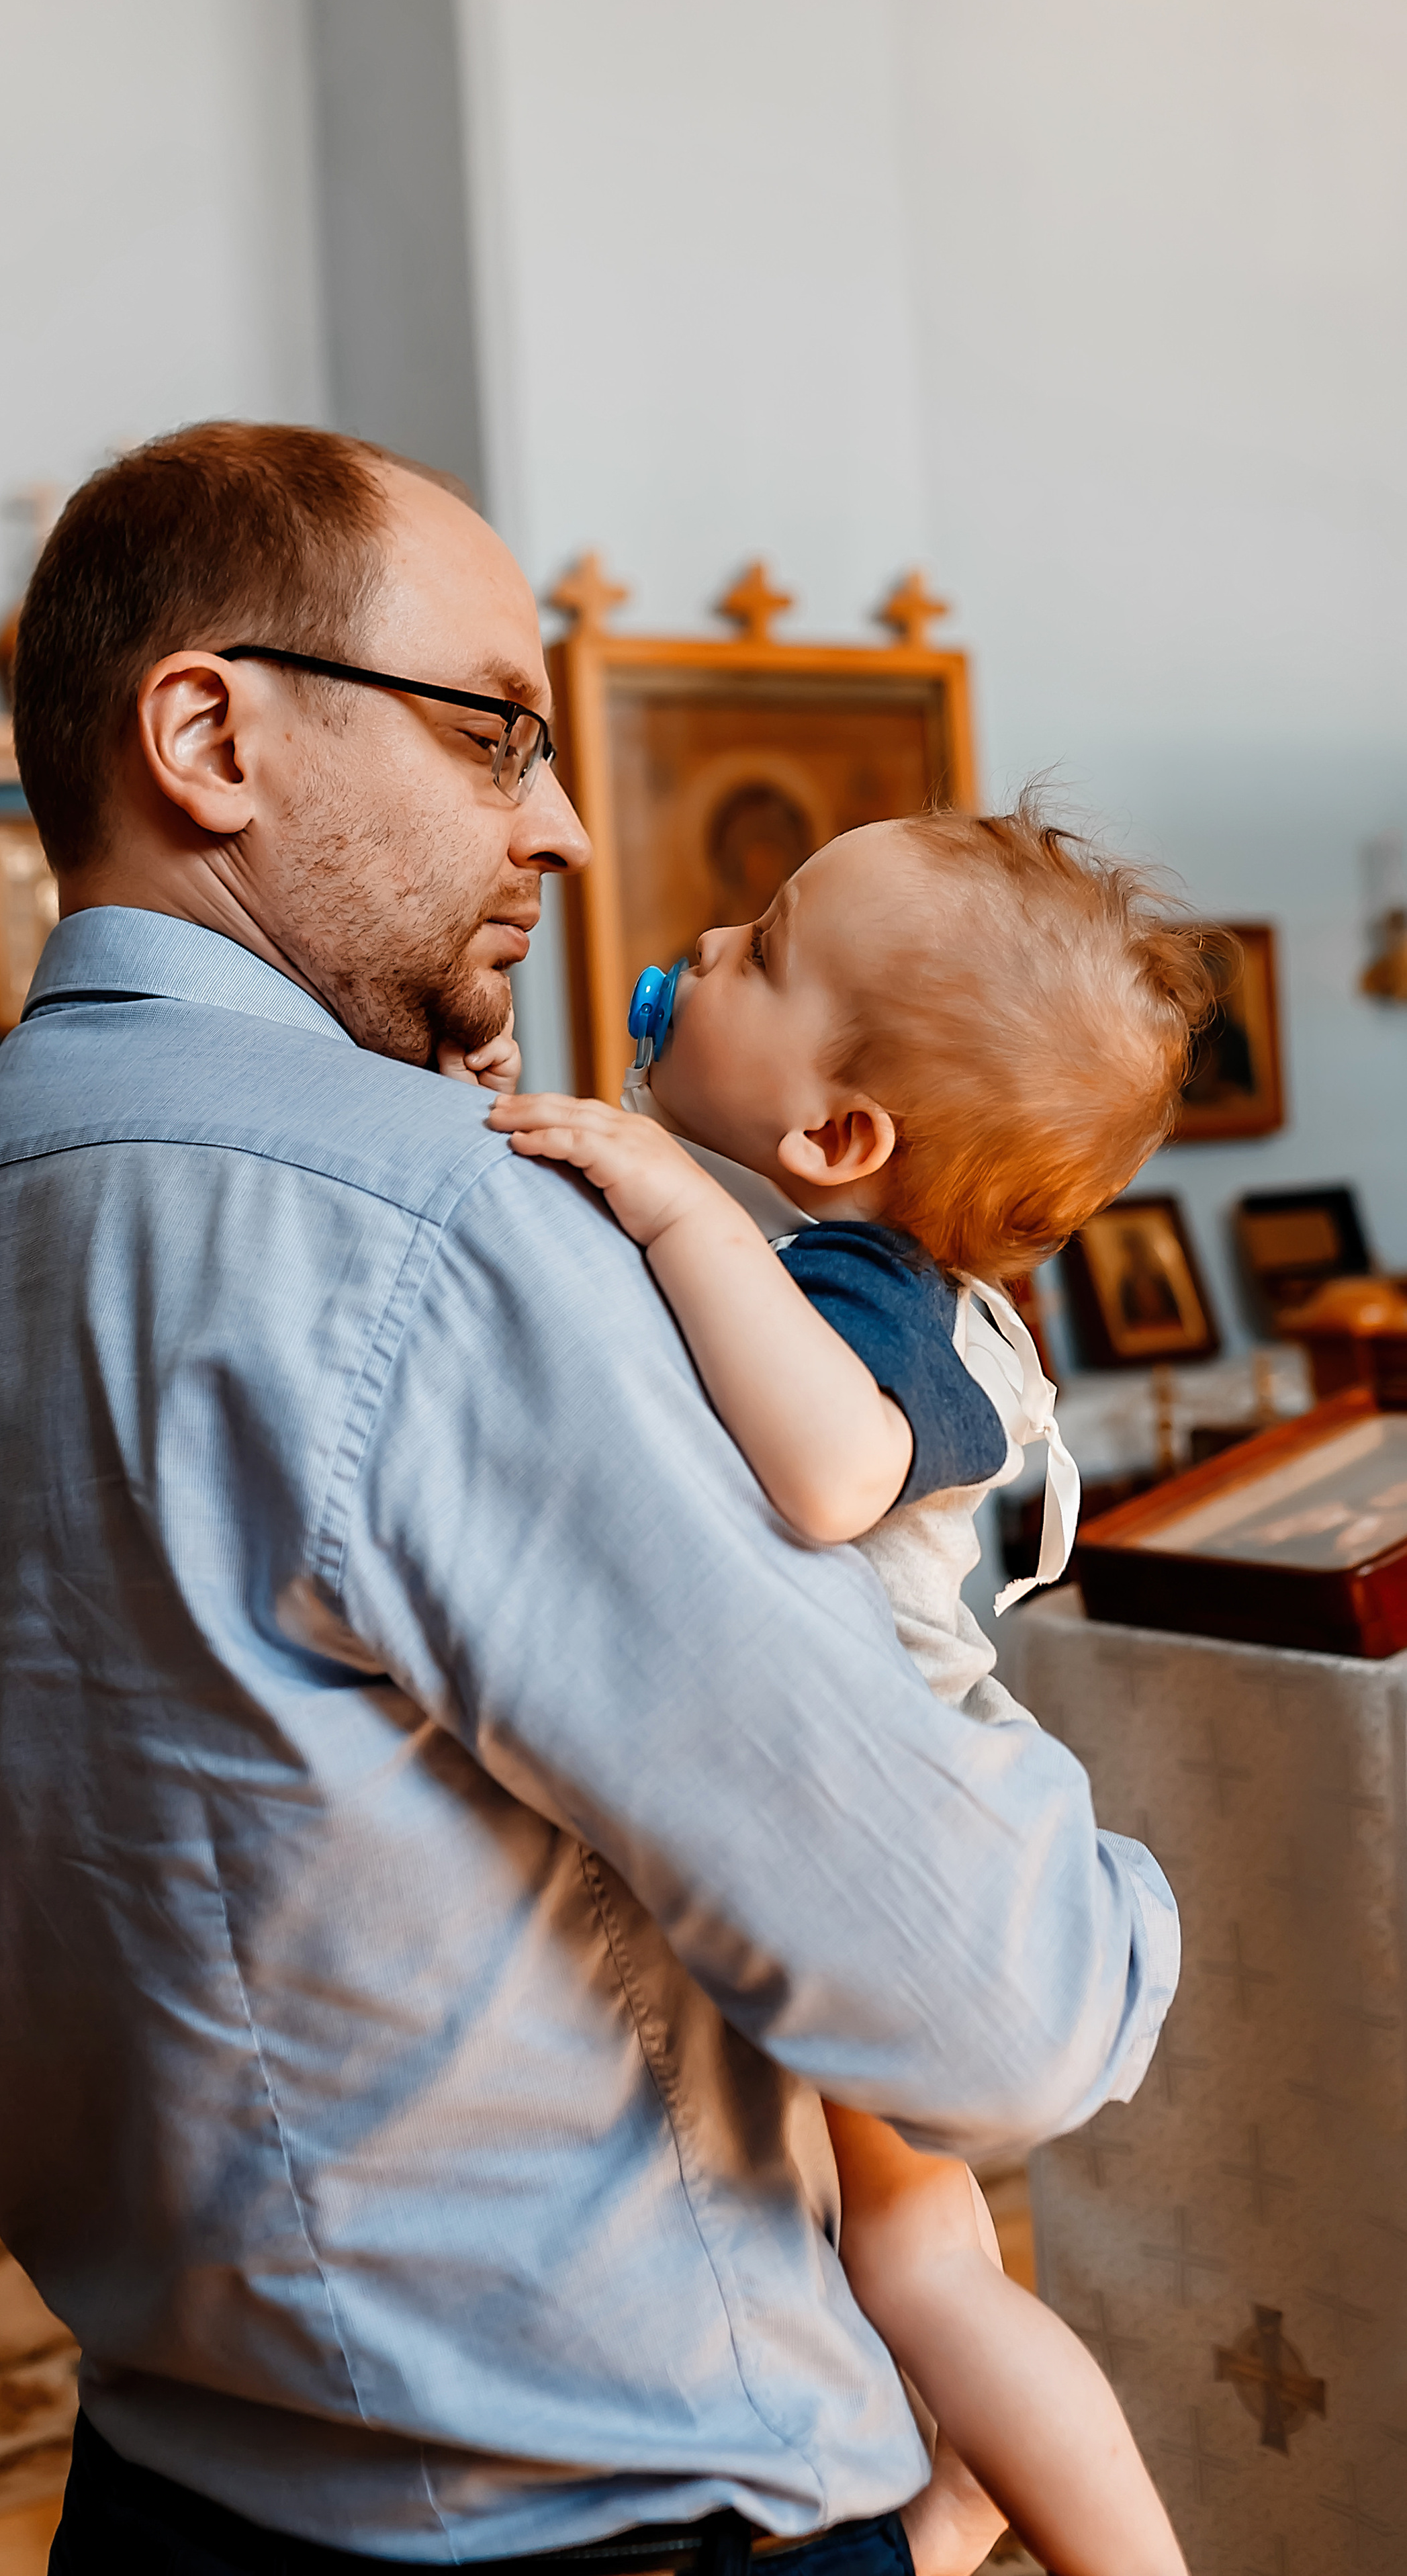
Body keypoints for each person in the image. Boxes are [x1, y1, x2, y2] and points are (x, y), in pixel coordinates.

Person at [0, 423, 1180, 2576]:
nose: (565, 815)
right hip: (601, 2512)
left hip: (164, 2496)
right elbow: (993, 2015)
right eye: (493, 731)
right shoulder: (455, 1234)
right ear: (210, 735)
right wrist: (1137, 1915)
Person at [487, 807, 1215, 2575]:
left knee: (923, 2273)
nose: (709, 947)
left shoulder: (881, 1307)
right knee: (886, 2244)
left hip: (905, 1817)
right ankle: (956, 2503)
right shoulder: (876, 1277)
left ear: (835, 1132)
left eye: (765, 945)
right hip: (875, 1796)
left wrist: (670, 1209)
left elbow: (821, 1476)